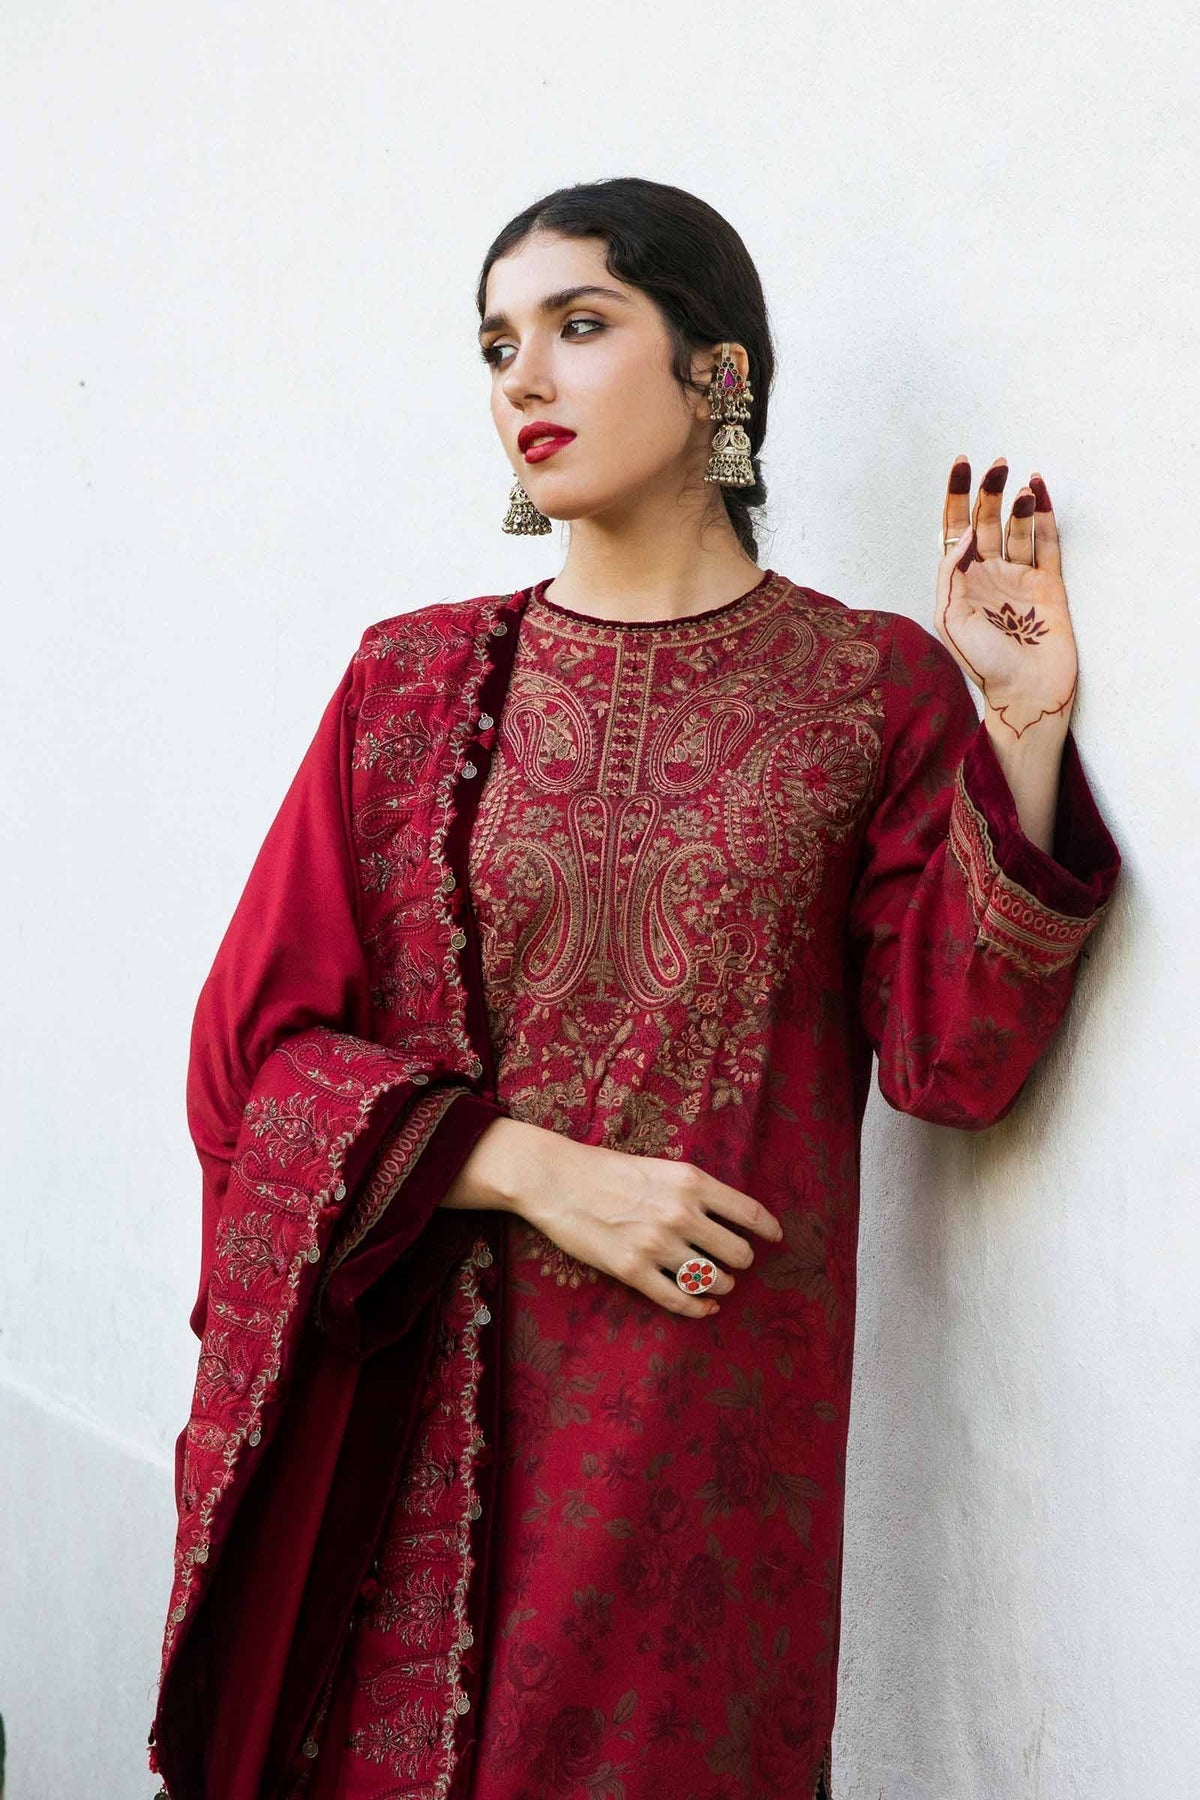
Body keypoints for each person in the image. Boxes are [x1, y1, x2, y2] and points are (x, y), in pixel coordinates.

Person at [149, 177, 1122, 1800]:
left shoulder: (868, 684)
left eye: (579, 325)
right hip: (419, 1419)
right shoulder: (410, 682)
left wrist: (1019, 729)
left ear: (716, 374)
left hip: (710, 1437)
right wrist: (530, 1170)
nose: (522, 378)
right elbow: (254, 1065)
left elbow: (953, 1058)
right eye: (496, 345)